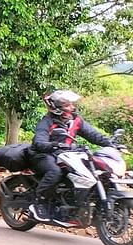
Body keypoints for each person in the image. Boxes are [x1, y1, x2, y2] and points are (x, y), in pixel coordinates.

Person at [28, 89, 113, 221]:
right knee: (55, 172)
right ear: (56, 108)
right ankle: (39, 202)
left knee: (88, 171)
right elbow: (39, 142)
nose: (72, 108)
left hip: (64, 155)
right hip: (42, 154)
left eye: (71, 104)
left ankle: (72, 204)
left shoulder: (76, 121)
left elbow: (93, 135)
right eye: (67, 105)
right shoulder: (46, 122)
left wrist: (110, 144)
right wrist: (55, 144)